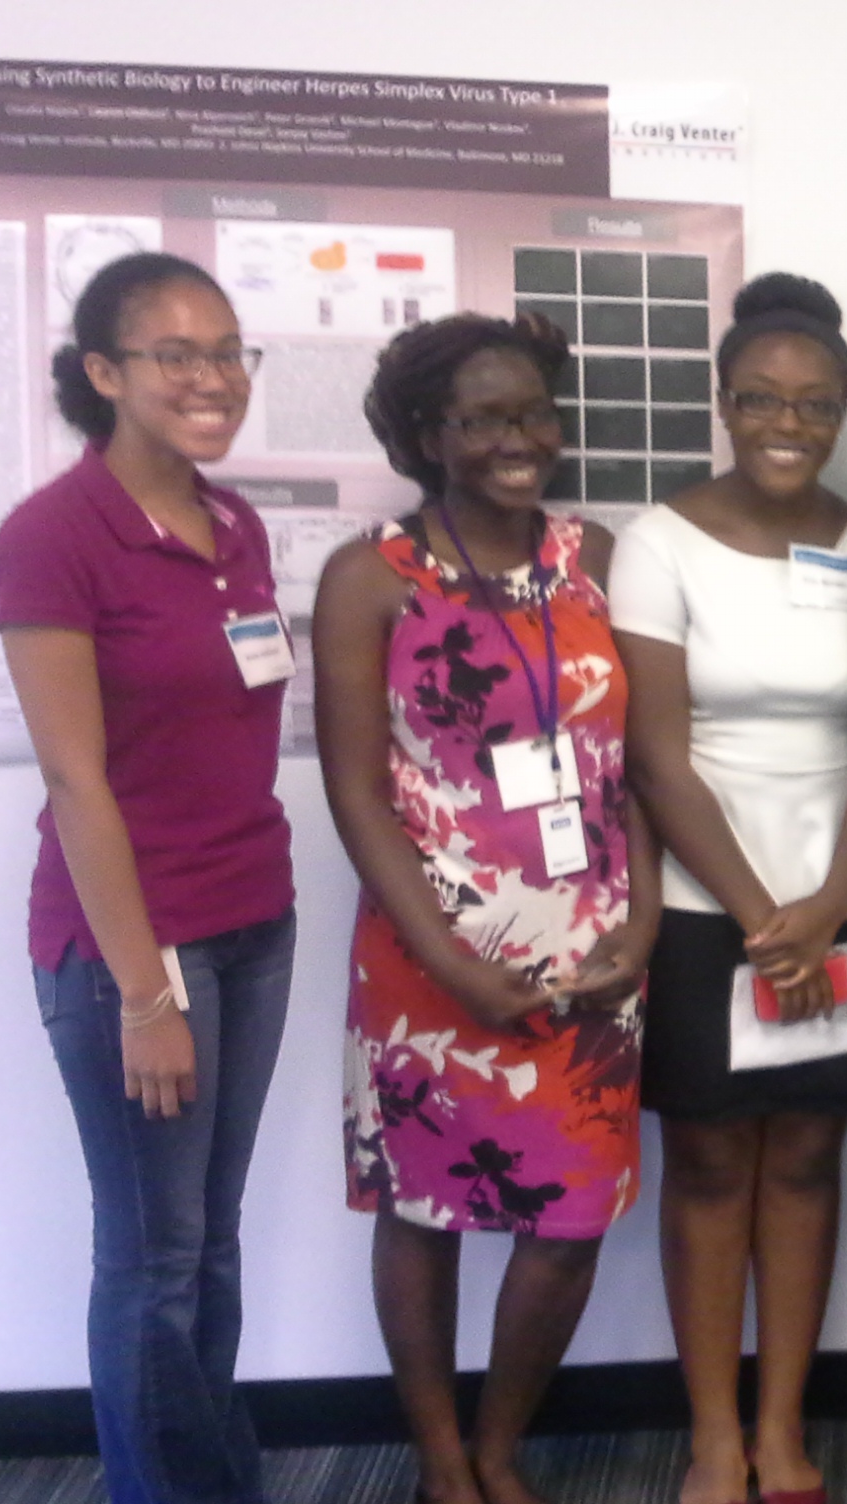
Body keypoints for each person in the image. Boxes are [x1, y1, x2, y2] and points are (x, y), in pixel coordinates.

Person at [314, 311, 658, 1504]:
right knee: (424, 1211)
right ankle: (440, 1461)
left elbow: (641, 761)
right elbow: (355, 793)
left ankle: (502, 1442)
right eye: (483, 419)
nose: (520, 439)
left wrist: (648, 912)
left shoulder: (598, 558)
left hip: (596, 949)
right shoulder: (369, 577)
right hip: (427, 957)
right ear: (426, 434)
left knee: (569, 1219)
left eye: (533, 414)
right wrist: (449, 963)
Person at [0, 252, 296, 1504]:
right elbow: (77, 785)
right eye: (177, 354)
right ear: (105, 374)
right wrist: (144, 995)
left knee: (208, 1248)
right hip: (137, 951)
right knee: (152, 1260)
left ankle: (214, 1484)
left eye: (228, 351)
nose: (212, 377)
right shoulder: (54, 535)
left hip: (252, 921)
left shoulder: (234, 525)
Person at [611, 273, 847, 1504]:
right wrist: (757, 916)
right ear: (724, 404)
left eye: (816, 403)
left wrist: (832, 897)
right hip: (698, 907)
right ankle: (712, 1436)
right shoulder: (656, 541)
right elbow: (656, 757)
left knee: (811, 1162)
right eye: (765, 400)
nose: (790, 422)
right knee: (715, 1167)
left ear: (842, 411)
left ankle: (782, 1429)